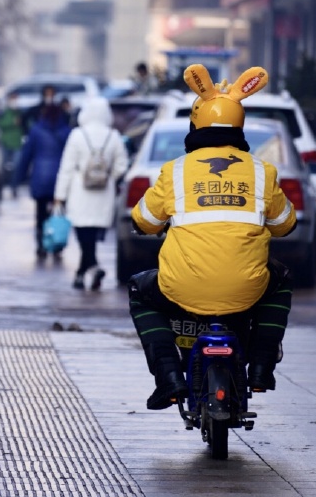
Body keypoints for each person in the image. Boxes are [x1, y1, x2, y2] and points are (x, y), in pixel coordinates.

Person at [127, 64, 296, 410]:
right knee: (281, 281)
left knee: (139, 292)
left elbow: (144, 220)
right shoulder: (262, 172)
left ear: (195, 124)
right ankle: (261, 366)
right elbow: (284, 224)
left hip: (181, 286)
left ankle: (168, 377)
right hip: (247, 289)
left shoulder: (175, 171)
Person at [54, 96, 128, 291]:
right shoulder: (113, 136)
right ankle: (87, 270)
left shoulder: (77, 135)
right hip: (104, 193)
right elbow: (122, 165)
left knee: (83, 234)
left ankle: (88, 269)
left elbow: (66, 167)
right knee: (93, 235)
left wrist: (60, 195)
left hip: (79, 192)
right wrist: (109, 178)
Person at [14, 90, 72, 259]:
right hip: (60, 179)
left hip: (40, 177)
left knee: (40, 213)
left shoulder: (36, 130)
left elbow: (26, 155)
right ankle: (57, 244)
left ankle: (41, 245)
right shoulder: (66, 132)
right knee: (58, 210)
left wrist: (19, 177)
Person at [0, 93, 24, 197]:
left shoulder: (20, 112)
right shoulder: (4, 112)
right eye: (12, 99)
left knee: (16, 166)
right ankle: (1, 188)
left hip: (17, 143)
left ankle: (14, 187)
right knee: (3, 167)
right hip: (5, 142)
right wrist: (12, 122)